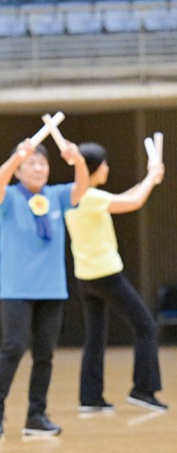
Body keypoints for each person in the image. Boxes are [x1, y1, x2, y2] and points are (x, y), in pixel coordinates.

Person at [0, 140, 89, 440]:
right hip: (17, 289)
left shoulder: (56, 195)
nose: (38, 168)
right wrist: (14, 156)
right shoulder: (9, 197)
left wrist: (77, 160)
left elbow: (80, 188)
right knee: (13, 348)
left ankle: (36, 415)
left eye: (43, 163)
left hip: (52, 289)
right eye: (31, 163)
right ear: (18, 171)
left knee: (45, 354)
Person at [65, 142, 166, 413]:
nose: (108, 168)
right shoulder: (91, 198)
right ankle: (143, 390)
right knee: (146, 326)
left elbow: (123, 197)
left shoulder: (73, 196)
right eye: (105, 164)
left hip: (85, 277)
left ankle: (90, 398)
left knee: (95, 336)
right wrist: (151, 178)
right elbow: (132, 202)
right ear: (94, 169)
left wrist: (150, 178)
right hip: (107, 275)